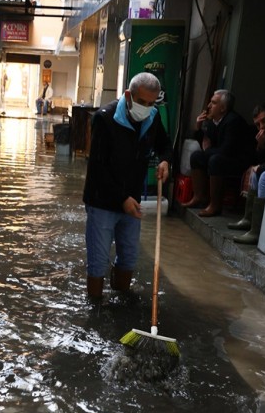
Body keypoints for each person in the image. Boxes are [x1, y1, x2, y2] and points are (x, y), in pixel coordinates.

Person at [82, 72, 172, 300]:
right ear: (128, 95)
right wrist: (122, 198)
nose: (146, 108)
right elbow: (98, 168)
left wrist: (164, 160)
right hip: (103, 201)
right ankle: (95, 310)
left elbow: (165, 145)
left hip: (132, 202)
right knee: (98, 262)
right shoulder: (105, 118)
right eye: (142, 102)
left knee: (129, 257)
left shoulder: (152, 118)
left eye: (152, 104)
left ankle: (122, 307)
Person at [184, 89, 254, 217]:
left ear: (222, 108)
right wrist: (198, 128)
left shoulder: (233, 121)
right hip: (220, 156)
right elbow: (205, 146)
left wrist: (209, 150)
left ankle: (215, 205)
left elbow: (226, 150)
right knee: (196, 156)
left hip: (239, 160)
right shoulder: (213, 122)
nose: (209, 106)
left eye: (213, 103)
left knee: (215, 160)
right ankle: (199, 197)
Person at [229, 103, 265, 245]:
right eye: (258, 124)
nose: (261, 127)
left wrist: (261, 167)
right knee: (254, 172)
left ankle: (255, 231)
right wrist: (261, 145)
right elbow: (261, 159)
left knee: (263, 176)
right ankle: (248, 219)